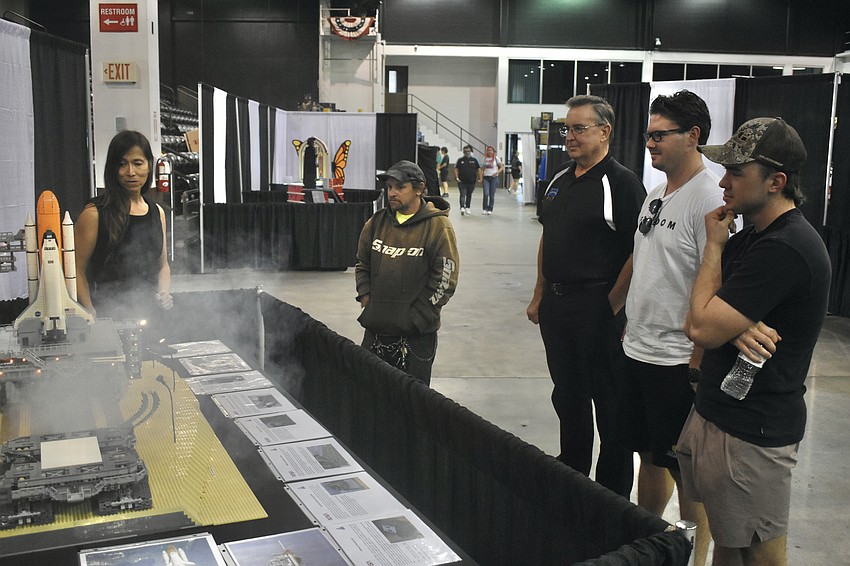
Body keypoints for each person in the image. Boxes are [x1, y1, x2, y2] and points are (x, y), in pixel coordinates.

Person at [679, 118, 830, 565]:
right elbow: (699, 315)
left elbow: (702, 327)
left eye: (736, 172)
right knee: (729, 544)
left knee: (760, 554)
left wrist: (713, 249)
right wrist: (733, 324)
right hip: (720, 415)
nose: (722, 183)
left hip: (754, 430)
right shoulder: (751, 238)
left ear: (776, 182)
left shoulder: (784, 247)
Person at [620, 90, 731, 566]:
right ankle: (649, 543)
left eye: (659, 135)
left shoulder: (709, 198)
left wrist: (697, 363)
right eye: (648, 135)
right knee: (649, 456)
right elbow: (642, 259)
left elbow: (719, 283)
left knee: (688, 471)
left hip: (677, 361)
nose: (650, 143)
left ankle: (693, 559)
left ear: (693, 136)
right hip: (639, 349)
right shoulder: (656, 194)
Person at [526, 95, 645, 496]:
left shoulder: (621, 183)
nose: (570, 136)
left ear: (605, 131)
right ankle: (573, 474)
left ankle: (612, 494)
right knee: (569, 396)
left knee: (609, 404)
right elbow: (549, 236)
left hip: (598, 308)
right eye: (567, 128)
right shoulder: (559, 179)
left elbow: (638, 250)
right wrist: (540, 293)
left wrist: (611, 305)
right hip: (558, 308)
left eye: (579, 128)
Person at [355, 160, 459, 385]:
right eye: (389, 187)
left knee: (412, 399)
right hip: (376, 330)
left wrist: (416, 317)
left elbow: (445, 280)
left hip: (416, 337)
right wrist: (366, 297)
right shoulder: (376, 222)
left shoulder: (438, 227)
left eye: (400, 187)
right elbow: (362, 264)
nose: (392, 193)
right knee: (371, 393)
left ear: (419, 189)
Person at [75, 130, 172, 322]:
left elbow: (163, 264)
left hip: (151, 315)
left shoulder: (157, 212)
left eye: (138, 163)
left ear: (149, 165)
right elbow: (76, 269)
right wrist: (88, 310)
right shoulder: (94, 214)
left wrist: (164, 292)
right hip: (108, 315)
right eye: (122, 164)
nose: (130, 172)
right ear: (113, 169)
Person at [454, 145, 481, 216]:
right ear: (463, 152)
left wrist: (480, 178)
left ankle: (467, 207)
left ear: (471, 151)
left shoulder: (474, 160)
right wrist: (457, 178)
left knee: (469, 194)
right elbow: (456, 169)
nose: (467, 152)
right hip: (462, 181)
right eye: (465, 151)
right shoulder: (460, 160)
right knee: (462, 194)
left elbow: (478, 169)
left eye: (468, 151)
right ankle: (462, 207)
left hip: (472, 181)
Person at [481, 145, 504, 215]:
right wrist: (480, 177)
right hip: (486, 177)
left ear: (493, 151)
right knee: (486, 193)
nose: (489, 151)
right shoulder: (485, 159)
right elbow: (482, 168)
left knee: (491, 194)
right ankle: (484, 208)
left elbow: (501, 167)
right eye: (488, 150)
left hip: (493, 178)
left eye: (491, 150)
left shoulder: (496, 159)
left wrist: (497, 172)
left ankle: (490, 209)